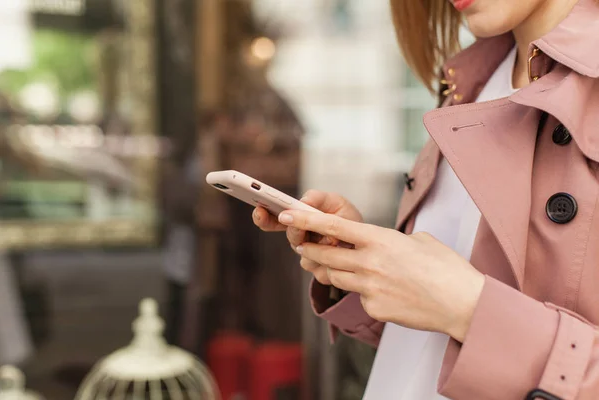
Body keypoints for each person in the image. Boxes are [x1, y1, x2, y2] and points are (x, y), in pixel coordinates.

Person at [254, 0, 599, 398]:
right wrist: (371, 267)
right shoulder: (470, 81)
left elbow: (466, 310)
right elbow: (443, 347)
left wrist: (468, 308)